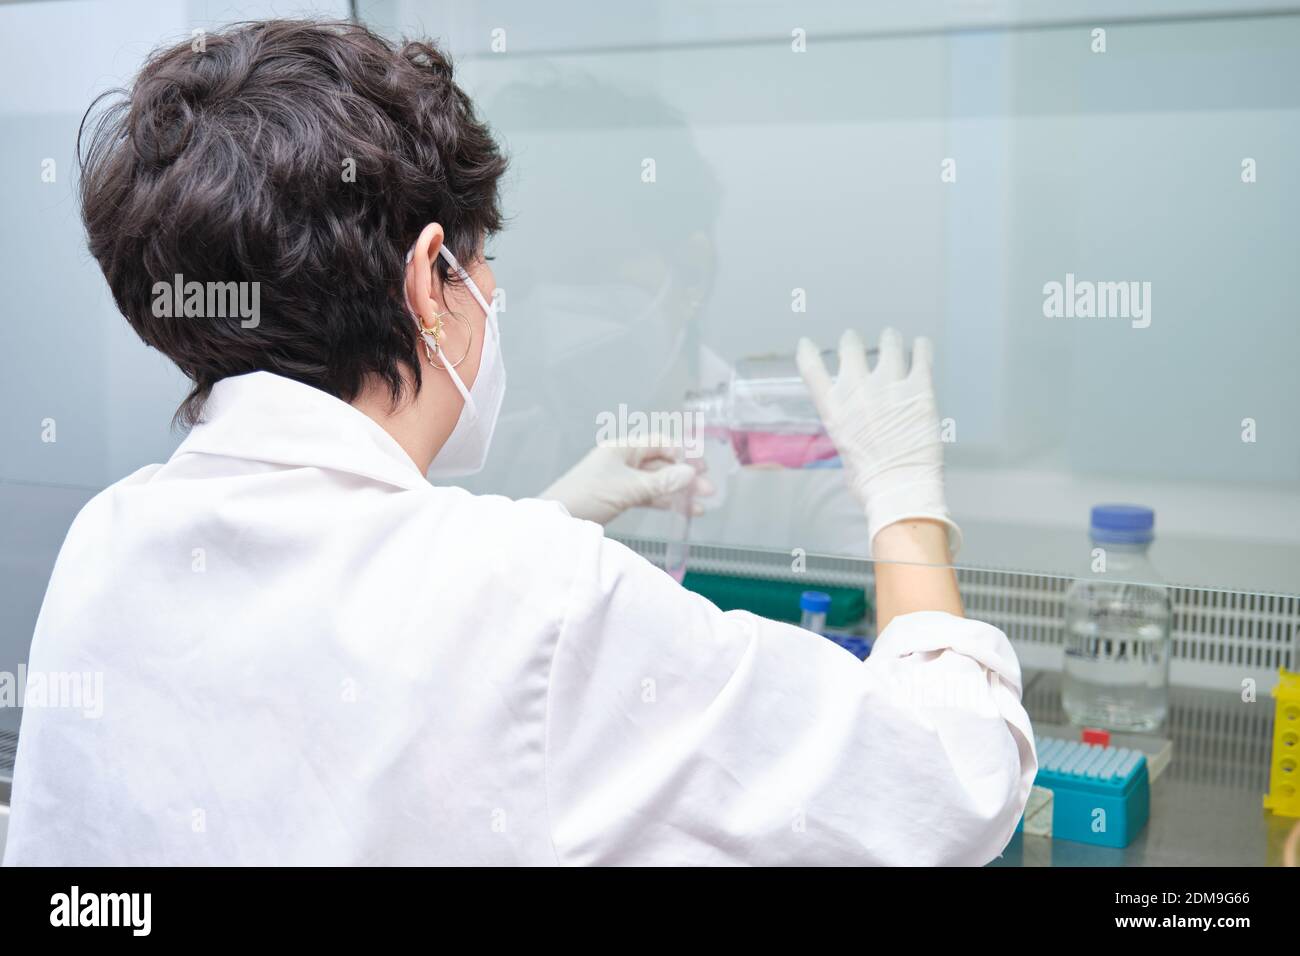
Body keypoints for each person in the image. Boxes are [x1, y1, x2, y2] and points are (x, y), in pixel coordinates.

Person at [3, 19, 1034, 866]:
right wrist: (905, 502)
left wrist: (537, 523)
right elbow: (949, 784)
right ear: (426, 280)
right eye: (483, 263)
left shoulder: (110, 538)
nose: (495, 297)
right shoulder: (537, 593)